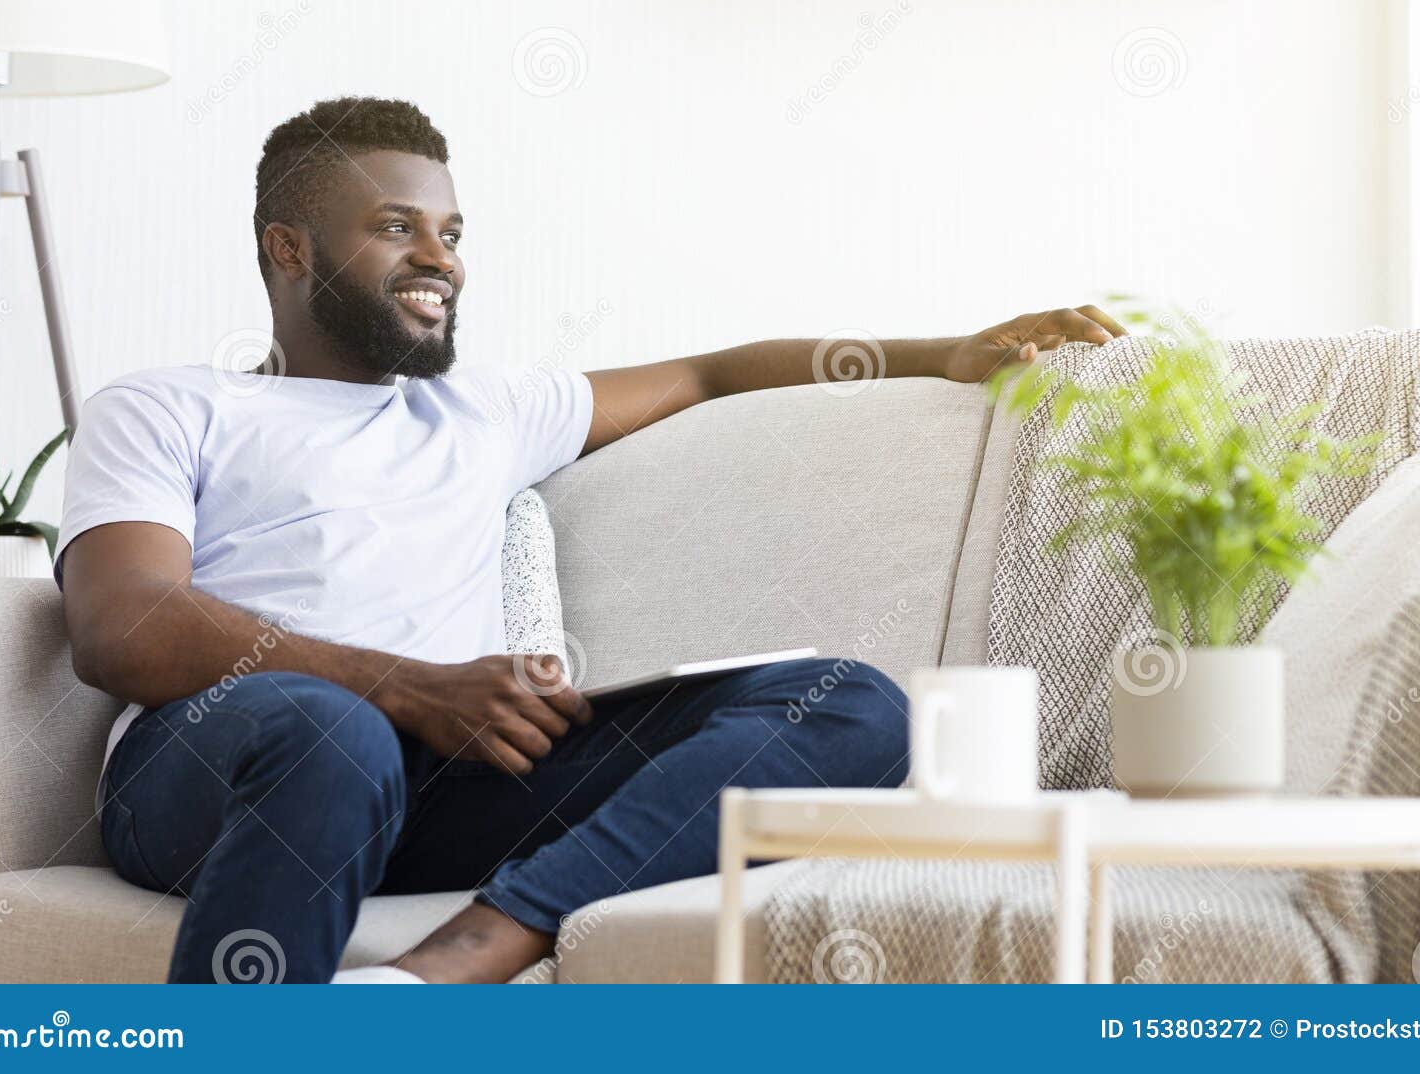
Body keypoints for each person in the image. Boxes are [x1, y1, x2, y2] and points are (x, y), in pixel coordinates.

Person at [57, 96, 1126, 984]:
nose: (440, 261)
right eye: (396, 228)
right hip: (219, 772)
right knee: (333, 732)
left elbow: (710, 372)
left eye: (452, 234)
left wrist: (944, 350)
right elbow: (122, 625)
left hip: (440, 783)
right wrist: (406, 685)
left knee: (850, 703)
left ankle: (457, 963)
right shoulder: (167, 407)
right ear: (287, 249)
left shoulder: (482, 412)